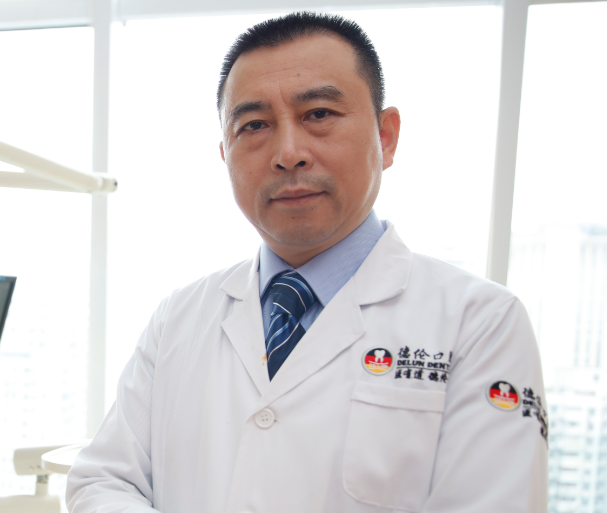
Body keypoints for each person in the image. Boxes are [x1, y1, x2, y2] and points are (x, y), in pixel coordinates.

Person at [66, 11, 548, 513]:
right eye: (254, 125)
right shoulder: (179, 319)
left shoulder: (481, 323)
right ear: (225, 154)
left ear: (385, 136)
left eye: (318, 114)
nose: (288, 153)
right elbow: (102, 481)